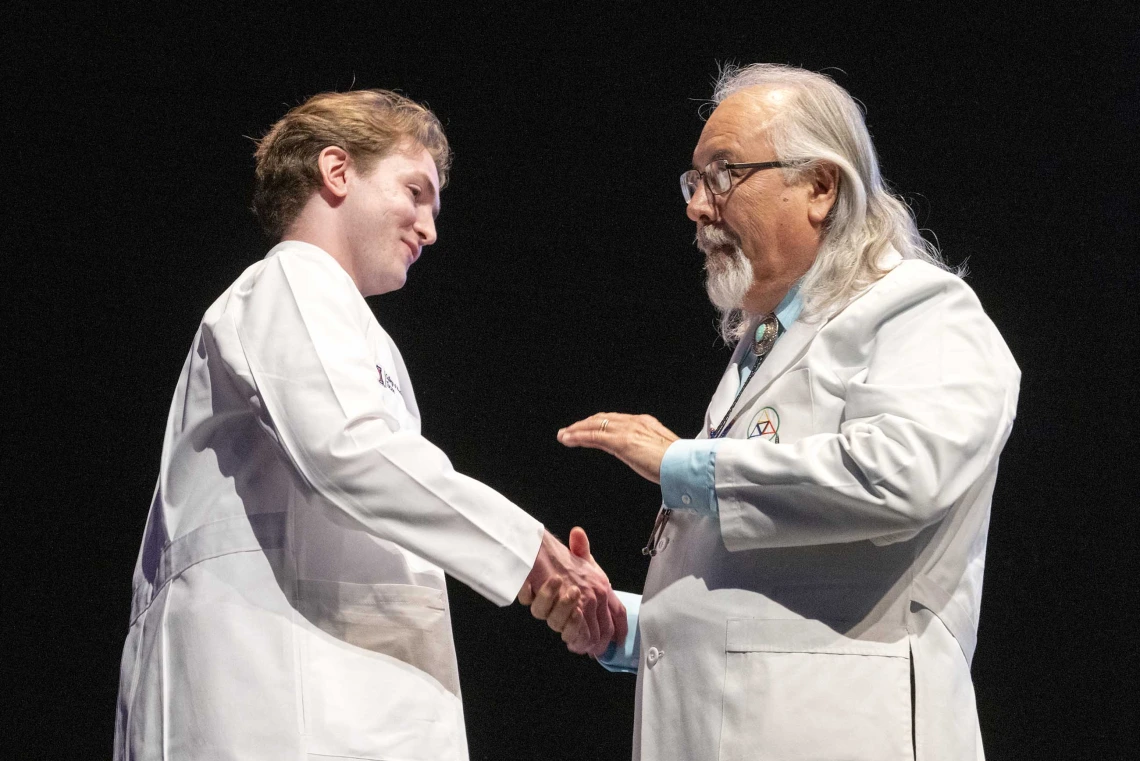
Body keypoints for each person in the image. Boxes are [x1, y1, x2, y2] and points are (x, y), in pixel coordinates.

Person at [523, 64, 1020, 760]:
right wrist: (629, 627)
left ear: (820, 186)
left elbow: (900, 474)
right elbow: (755, 597)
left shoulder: (921, 307)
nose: (698, 206)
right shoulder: (763, 346)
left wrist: (681, 463)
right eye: (694, 182)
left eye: (724, 175)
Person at [113, 89, 624, 761]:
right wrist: (534, 555)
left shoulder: (353, 325)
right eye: (414, 191)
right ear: (337, 170)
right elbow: (349, 451)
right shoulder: (292, 281)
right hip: (276, 706)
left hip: (337, 701)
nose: (428, 226)